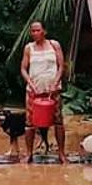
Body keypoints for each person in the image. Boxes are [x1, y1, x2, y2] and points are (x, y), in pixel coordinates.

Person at [19, 21, 67, 163]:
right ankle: (29, 153)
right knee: (30, 123)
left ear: (44, 31)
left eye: (37, 30)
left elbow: (61, 66)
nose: (35, 33)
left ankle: (62, 153)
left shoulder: (54, 45)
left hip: (53, 90)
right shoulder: (29, 48)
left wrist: (56, 82)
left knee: (58, 121)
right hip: (34, 91)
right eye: (32, 31)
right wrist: (30, 83)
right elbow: (23, 68)